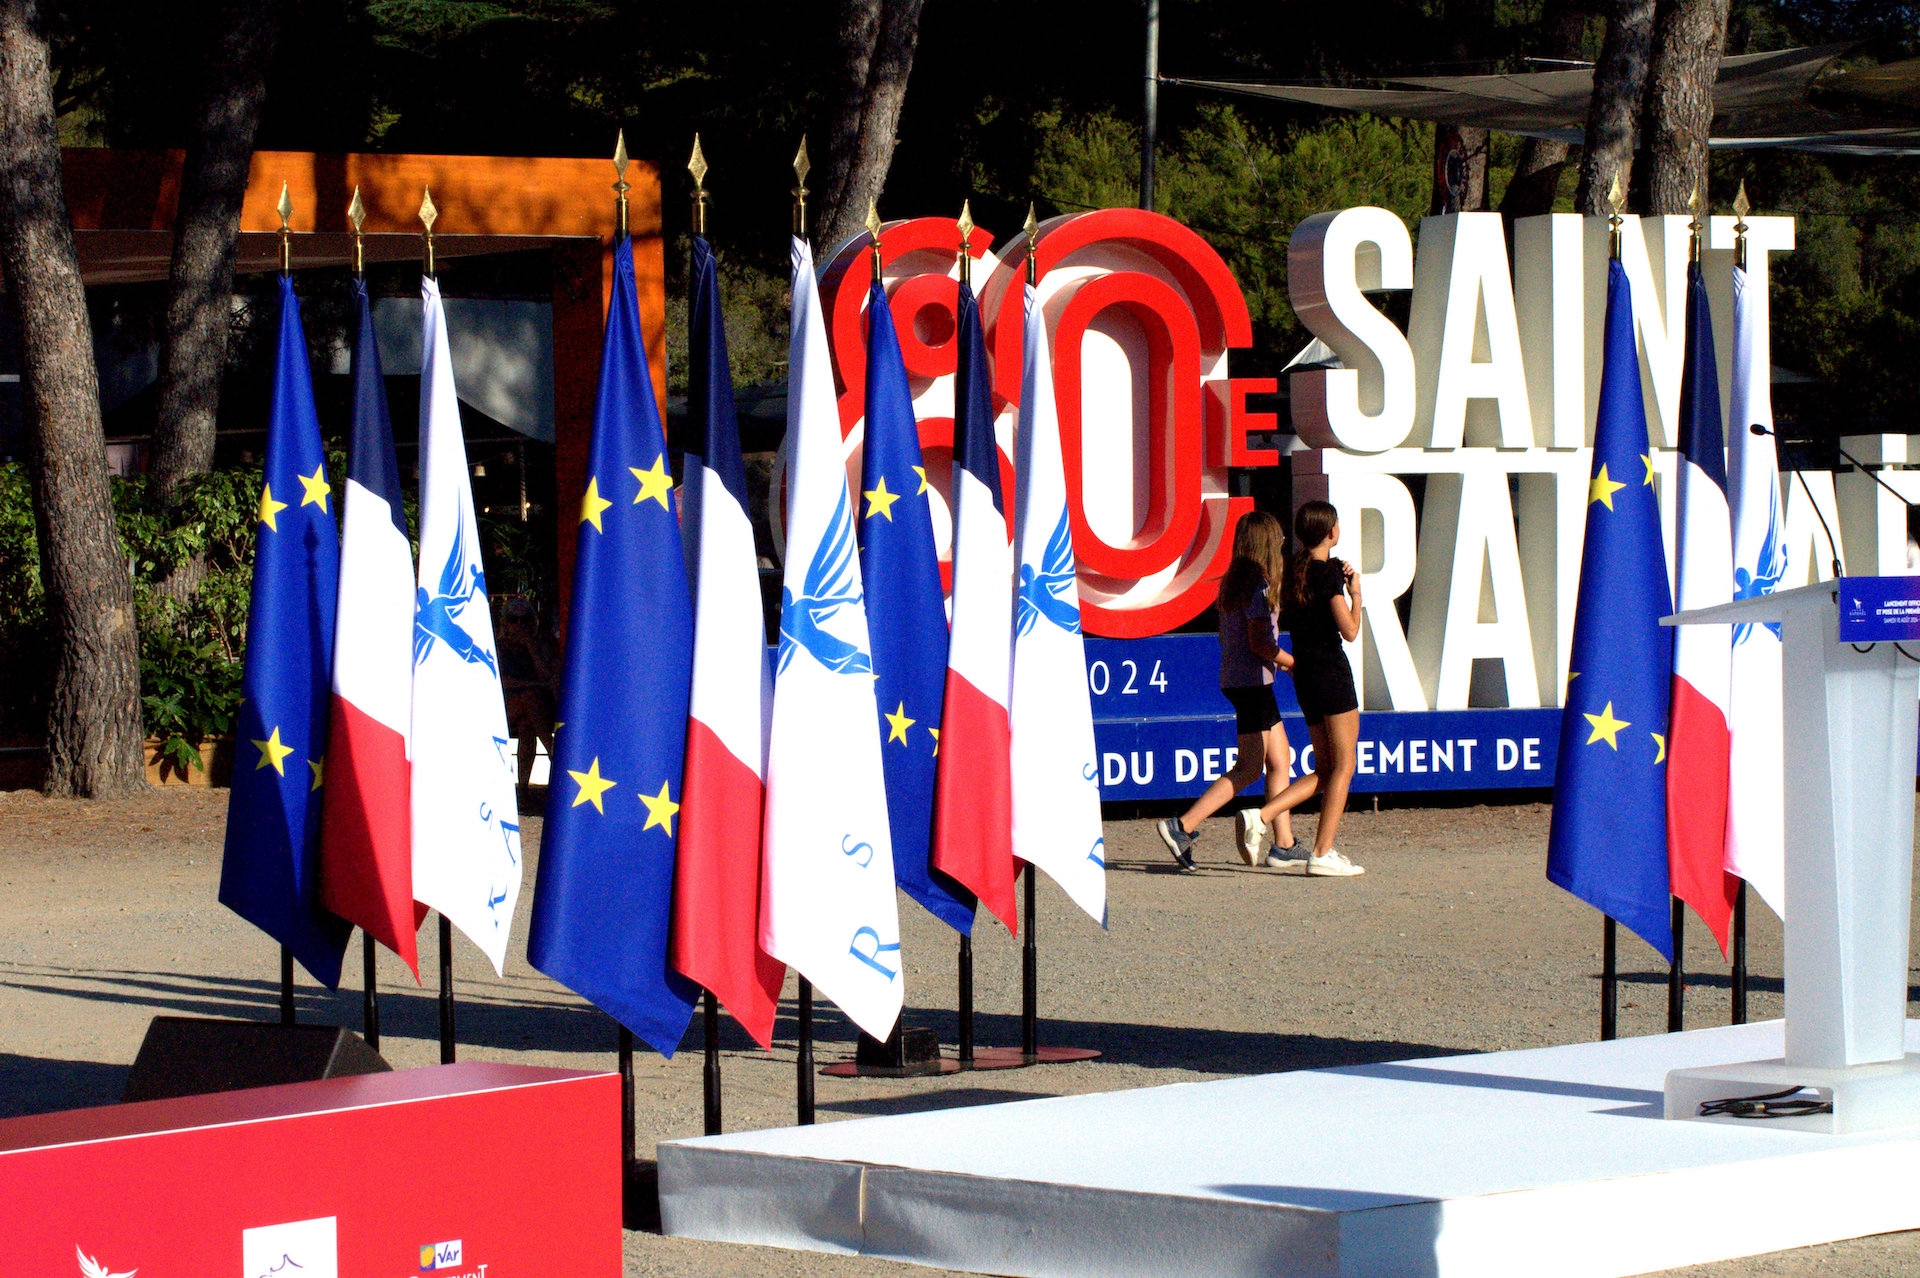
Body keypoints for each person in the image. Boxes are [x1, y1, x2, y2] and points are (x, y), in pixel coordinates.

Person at [1155, 511, 1307, 871]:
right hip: (1254, 683)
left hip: (1242, 681)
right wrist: (1293, 663)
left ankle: (1284, 844)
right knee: (1250, 767)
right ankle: (1182, 826)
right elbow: (1262, 643)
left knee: (1280, 759)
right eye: (1280, 540)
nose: (1283, 545)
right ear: (1267, 544)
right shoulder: (1258, 585)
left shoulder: (1234, 582)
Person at [1245, 501, 1365, 877]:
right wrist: (1356, 594)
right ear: (1331, 531)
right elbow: (1349, 630)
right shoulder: (1328, 576)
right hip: (1331, 672)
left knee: (1326, 767)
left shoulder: (1293, 569)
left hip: (1304, 675)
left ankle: (1261, 815)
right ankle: (1322, 851)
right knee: (1344, 766)